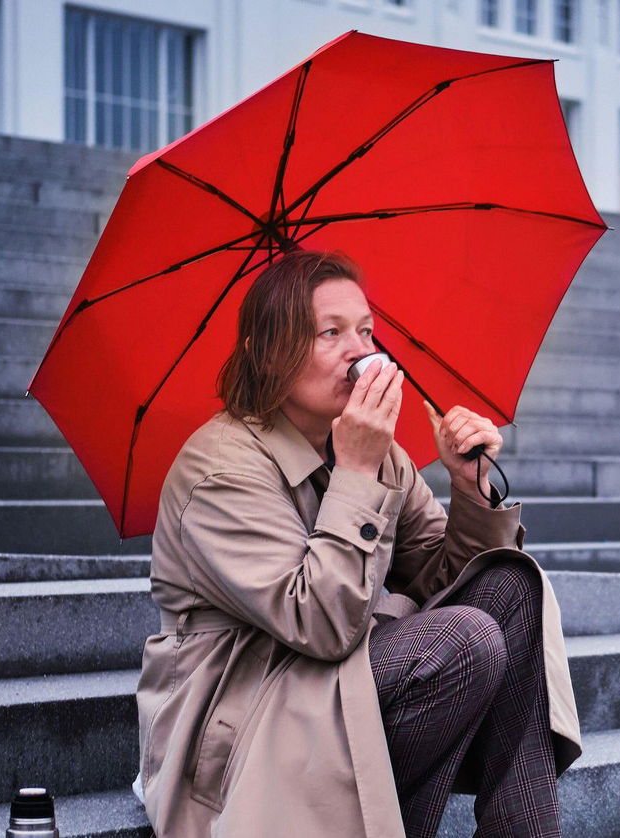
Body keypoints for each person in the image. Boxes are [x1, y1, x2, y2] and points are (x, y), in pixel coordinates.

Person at [133, 249, 581, 838]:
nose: (360, 352)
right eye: (331, 333)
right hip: (253, 714)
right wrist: (355, 474)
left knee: (510, 586)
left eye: (367, 331)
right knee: (462, 642)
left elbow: (442, 578)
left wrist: (470, 488)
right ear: (267, 352)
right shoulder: (219, 470)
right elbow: (318, 625)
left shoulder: (377, 453)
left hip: (340, 681)